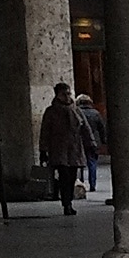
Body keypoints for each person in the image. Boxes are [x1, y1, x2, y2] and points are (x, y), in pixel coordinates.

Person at [39, 81, 87, 215]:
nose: (67, 97)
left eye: (68, 94)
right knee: (64, 177)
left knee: (72, 177)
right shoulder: (51, 112)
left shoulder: (76, 110)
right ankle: (67, 203)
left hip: (74, 149)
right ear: (57, 95)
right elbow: (45, 132)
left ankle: (68, 201)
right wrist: (43, 150)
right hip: (59, 149)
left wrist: (91, 143)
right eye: (63, 94)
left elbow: (85, 128)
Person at [75, 91, 109, 198]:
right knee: (92, 162)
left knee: (79, 163)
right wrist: (103, 140)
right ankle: (92, 184)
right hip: (94, 141)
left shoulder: (77, 112)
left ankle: (81, 182)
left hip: (80, 140)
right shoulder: (96, 113)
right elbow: (101, 128)